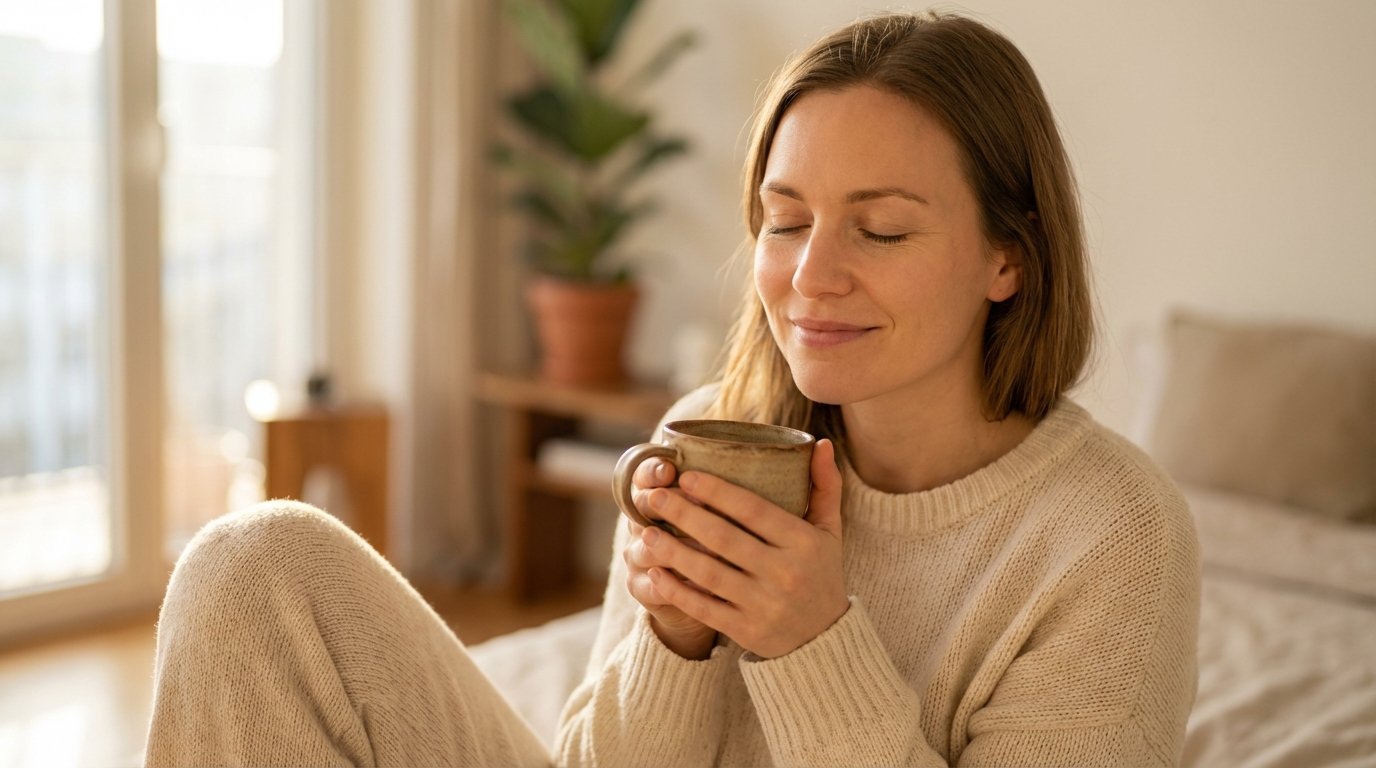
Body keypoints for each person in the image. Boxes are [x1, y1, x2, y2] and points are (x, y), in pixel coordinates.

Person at [146, 10, 1199, 767]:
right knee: (255, 562)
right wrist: (675, 641)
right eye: (784, 221)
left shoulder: (1108, 538)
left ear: (1006, 259)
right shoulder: (705, 438)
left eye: (878, 229)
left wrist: (810, 642)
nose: (808, 274)